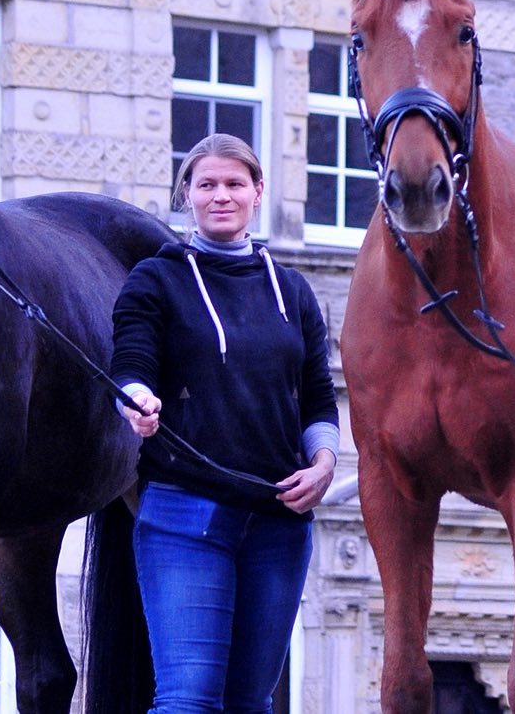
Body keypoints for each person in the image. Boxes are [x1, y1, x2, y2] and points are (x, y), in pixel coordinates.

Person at [111, 133, 339, 713]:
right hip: (185, 518)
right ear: (186, 194)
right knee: (188, 700)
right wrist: (137, 401)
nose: (221, 196)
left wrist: (324, 463)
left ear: (258, 192)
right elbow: (130, 366)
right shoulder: (154, 281)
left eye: (235, 184)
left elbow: (317, 397)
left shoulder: (293, 290)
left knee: (251, 703)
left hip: (279, 525)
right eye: (206, 184)